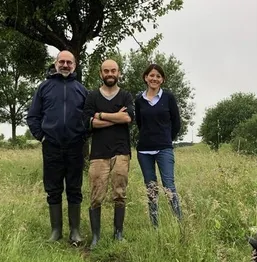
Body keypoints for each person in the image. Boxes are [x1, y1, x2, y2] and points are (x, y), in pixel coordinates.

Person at [26, 50, 89, 245]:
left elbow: (89, 118)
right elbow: (33, 116)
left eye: (69, 62)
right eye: (61, 61)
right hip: (51, 145)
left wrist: (82, 136)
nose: (65, 65)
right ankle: (56, 231)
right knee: (53, 189)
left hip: (75, 146)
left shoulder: (81, 89)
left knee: (74, 188)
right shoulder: (44, 88)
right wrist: (42, 136)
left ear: (74, 66)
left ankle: (75, 231)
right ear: (55, 64)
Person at [83, 59, 135, 249]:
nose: (110, 74)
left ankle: (118, 234)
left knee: (119, 192)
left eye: (113, 70)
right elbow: (88, 123)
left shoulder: (126, 96)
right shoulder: (92, 96)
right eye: (106, 71)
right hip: (98, 153)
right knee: (96, 194)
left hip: (121, 151)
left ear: (119, 72)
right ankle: (96, 236)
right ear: (101, 73)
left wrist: (101, 115)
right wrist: (116, 118)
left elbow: (128, 118)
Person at [134, 63, 183, 228]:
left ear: (162, 79)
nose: (154, 78)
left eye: (158, 76)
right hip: (144, 150)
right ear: (145, 78)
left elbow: (176, 123)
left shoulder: (168, 98)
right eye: (151, 75)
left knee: (169, 186)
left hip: (164, 149)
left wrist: (166, 139)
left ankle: (179, 223)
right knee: (151, 189)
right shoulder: (139, 100)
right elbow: (140, 123)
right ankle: (155, 226)